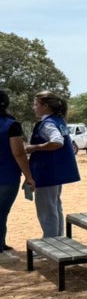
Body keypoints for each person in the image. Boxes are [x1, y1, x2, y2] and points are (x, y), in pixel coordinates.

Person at [25, 90, 80, 238]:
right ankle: (58, 239)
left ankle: (50, 242)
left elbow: (57, 142)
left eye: (36, 104)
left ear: (45, 106)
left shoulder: (46, 124)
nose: (33, 107)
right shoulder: (58, 120)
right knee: (55, 206)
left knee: (46, 210)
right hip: (55, 172)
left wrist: (34, 147)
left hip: (47, 172)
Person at [0, 89, 35, 253]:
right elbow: (19, 153)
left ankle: (2, 241)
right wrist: (29, 176)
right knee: (1, 211)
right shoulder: (11, 125)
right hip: (6, 177)